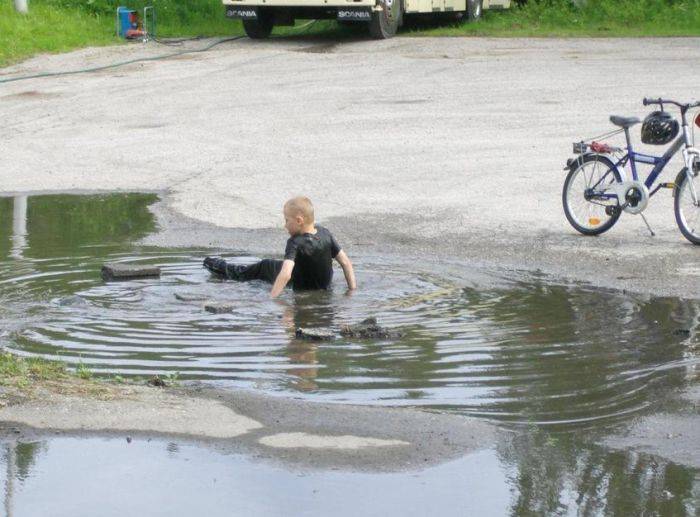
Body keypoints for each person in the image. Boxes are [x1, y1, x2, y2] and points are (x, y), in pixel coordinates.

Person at [203, 196, 356, 298]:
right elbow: (346, 263)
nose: (285, 225)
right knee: (269, 266)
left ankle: (218, 267)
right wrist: (351, 290)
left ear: (299, 220)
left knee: (261, 267)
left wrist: (272, 298)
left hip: (296, 281)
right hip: (321, 287)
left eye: (286, 220)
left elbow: (285, 274)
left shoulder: (295, 243)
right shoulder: (325, 233)